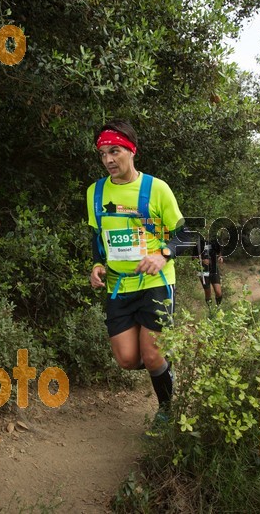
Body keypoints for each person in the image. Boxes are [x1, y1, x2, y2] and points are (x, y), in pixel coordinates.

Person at [86, 120, 194, 423]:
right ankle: (163, 364)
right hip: (120, 287)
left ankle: (168, 410)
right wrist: (96, 265)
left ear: (132, 151)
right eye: (103, 153)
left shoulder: (156, 189)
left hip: (155, 283)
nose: (108, 160)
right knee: (127, 359)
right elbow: (97, 237)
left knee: (150, 354)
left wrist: (163, 254)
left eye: (115, 151)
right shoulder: (95, 193)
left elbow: (186, 236)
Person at [198, 237, 224, 307]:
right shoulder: (198, 242)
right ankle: (210, 311)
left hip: (214, 269)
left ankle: (218, 308)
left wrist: (220, 257)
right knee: (208, 293)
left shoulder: (214, 241)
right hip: (203, 271)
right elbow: (193, 258)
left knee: (218, 292)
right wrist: (202, 261)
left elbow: (219, 252)